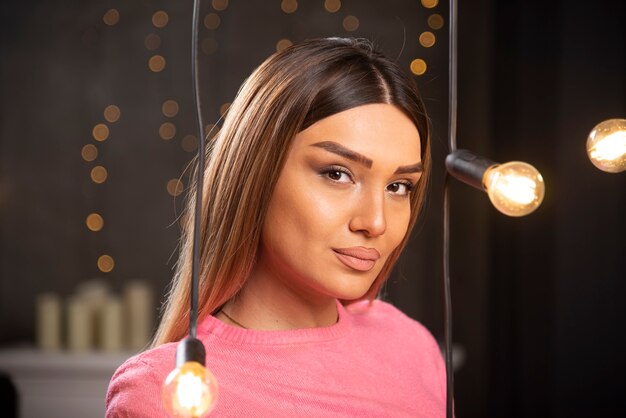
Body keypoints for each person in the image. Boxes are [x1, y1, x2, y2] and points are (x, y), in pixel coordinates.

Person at [106, 37, 445, 417]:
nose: (375, 222)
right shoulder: (167, 390)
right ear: (256, 173)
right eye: (337, 174)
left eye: (398, 187)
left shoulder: (411, 346)